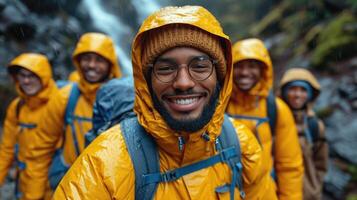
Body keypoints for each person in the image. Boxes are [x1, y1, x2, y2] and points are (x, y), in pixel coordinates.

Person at [52, 6, 271, 199]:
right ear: (146, 83)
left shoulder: (242, 144)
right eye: (165, 69)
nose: (183, 82)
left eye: (200, 66)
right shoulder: (103, 165)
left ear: (221, 77)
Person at [26, 32, 121, 199]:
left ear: (110, 64)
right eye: (86, 59)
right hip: (65, 185)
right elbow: (40, 149)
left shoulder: (123, 100)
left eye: (99, 60)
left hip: (109, 189)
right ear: (78, 62)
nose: (91, 65)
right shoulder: (65, 97)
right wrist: (33, 195)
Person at [226, 38, 304, 199]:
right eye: (239, 66)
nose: (245, 72)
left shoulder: (276, 109)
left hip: (264, 193)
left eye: (252, 66)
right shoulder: (220, 104)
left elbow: (289, 166)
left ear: (263, 70)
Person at [0, 53, 58, 199]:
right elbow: (7, 149)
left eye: (32, 76)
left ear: (44, 76)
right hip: (24, 185)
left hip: (54, 186)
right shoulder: (17, 106)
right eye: (22, 75)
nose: (26, 81)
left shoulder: (59, 103)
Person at [279, 68, 328, 200]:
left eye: (303, 90)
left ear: (310, 94)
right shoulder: (274, 120)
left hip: (307, 195)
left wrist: (315, 188)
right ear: (284, 92)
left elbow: (320, 163)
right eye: (293, 89)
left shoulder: (315, 126)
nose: (297, 95)